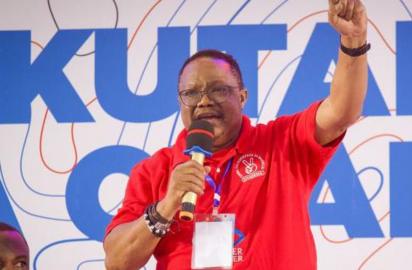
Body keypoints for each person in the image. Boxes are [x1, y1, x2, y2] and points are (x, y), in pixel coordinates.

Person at [104, 0, 368, 269]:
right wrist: (166, 206)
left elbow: (341, 112)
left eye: (218, 89)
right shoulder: (154, 171)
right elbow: (117, 262)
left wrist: (353, 39)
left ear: (242, 97)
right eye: (191, 93)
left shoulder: (282, 143)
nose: (204, 101)